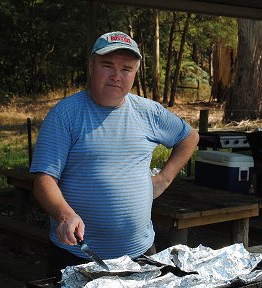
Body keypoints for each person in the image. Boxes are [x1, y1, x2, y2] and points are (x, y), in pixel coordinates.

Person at [30, 31, 199, 277]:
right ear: (91, 66)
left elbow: (189, 137)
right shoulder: (65, 115)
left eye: (126, 69)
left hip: (141, 255)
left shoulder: (148, 112)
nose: (116, 76)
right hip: (78, 256)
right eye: (107, 66)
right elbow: (43, 180)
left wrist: (164, 179)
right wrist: (64, 215)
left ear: (134, 74)